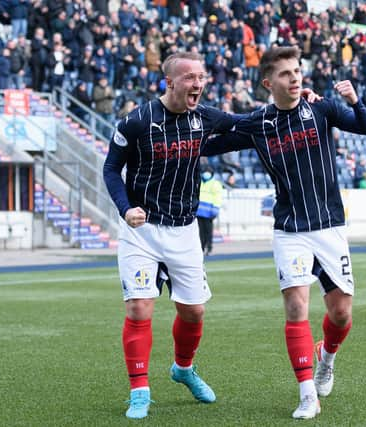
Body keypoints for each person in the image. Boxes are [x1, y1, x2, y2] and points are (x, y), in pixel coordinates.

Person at [202, 46, 366, 419]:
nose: (295, 77)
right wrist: (180, 132)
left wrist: (354, 100)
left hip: (329, 224)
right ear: (268, 82)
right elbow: (212, 143)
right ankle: (306, 393)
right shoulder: (258, 124)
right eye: (285, 73)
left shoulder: (322, 109)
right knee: (297, 306)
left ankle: (326, 361)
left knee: (341, 313)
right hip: (290, 229)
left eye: (297, 71)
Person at [102, 52, 239, 420]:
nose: (198, 84)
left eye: (202, 77)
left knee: (193, 311)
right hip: (141, 230)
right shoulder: (136, 121)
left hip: (184, 229)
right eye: (190, 77)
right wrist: (125, 207)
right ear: (170, 82)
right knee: (139, 307)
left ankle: (182, 368)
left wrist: (284, 108)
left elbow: (244, 123)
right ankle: (139, 391)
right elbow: (112, 168)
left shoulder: (204, 117)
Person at [196, 166, 224, 256]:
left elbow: (218, 197)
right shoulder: (199, 181)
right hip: (199, 211)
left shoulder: (215, 184)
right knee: (200, 232)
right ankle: (202, 248)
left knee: (208, 231)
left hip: (209, 212)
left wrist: (215, 209)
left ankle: (209, 247)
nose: (206, 173)